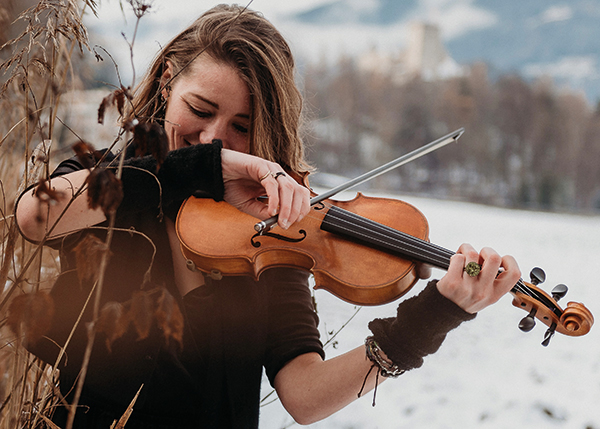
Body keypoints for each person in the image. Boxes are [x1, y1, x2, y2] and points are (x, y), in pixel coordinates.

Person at [14, 4, 521, 428]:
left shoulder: (274, 234)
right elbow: (36, 215)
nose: (214, 137)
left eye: (241, 126)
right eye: (201, 108)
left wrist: (433, 319)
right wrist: (201, 168)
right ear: (167, 81)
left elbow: (305, 394)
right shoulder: (110, 180)